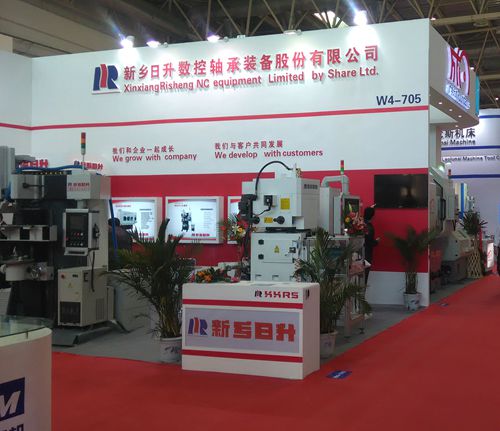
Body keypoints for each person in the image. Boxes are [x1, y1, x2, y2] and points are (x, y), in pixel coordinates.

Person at [364, 206, 379, 284]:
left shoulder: (360, 224)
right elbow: (370, 243)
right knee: (365, 276)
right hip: (367, 255)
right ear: (372, 216)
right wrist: (376, 241)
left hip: (360, 254)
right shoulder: (369, 227)